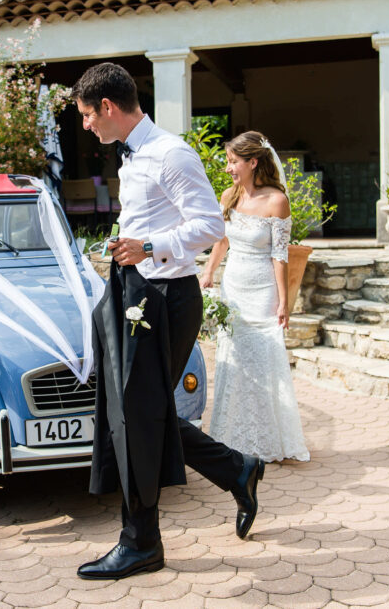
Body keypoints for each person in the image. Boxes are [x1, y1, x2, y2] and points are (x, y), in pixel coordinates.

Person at [72, 62, 265, 581]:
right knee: (137, 411)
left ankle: (141, 544)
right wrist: (125, 242)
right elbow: (149, 221)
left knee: (139, 418)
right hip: (134, 291)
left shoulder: (170, 153)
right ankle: (236, 469)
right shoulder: (132, 156)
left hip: (165, 301)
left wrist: (150, 247)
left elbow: (209, 226)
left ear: (108, 108)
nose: (87, 126)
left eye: (88, 116)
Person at [199, 132, 310, 463]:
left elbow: (280, 255)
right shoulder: (229, 196)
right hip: (233, 287)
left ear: (253, 162)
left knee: (263, 363)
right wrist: (208, 273)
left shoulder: (277, 200)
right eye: (229, 161)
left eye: (234, 161)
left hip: (262, 291)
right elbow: (221, 241)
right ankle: (231, 437)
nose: (229, 167)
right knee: (233, 362)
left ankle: (267, 439)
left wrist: (282, 301)